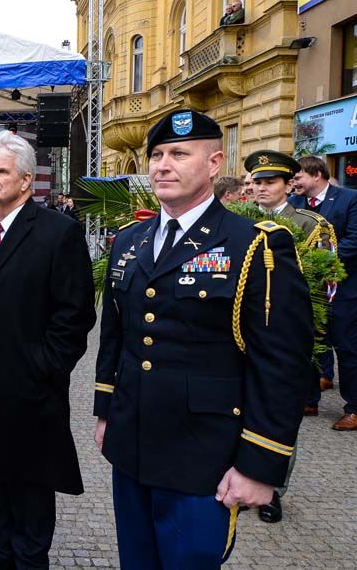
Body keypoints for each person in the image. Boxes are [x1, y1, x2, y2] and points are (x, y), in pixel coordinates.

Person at [95, 110, 313, 568]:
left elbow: (282, 364)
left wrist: (260, 464)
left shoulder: (253, 245)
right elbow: (116, 335)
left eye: (178, 153)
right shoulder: (130, 240)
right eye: (156, 155)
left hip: (204, 453)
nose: (162, 165)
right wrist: (105, 411)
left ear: (214, 164)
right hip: (133, 444)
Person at [0, 131, 96, 570]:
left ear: (26, 180)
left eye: (0, 171)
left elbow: (75, 314)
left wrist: (43, 367)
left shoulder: (58, 233)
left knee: (28, 479)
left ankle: (30, 559)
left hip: (29, 387)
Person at [244, 149, 334, 524]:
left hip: (286, 336)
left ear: (288, 185)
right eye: (257, 182)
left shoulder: (310, 224)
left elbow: (325, 284)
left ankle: (272, 489)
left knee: (279, 412)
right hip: (242, 333)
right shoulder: (236, 220)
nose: (262, 189)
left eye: (270, 182)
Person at [292, 155, 357, 430]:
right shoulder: (296, 204)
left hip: (346, 290)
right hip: (310, 291)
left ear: (316, 175)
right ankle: (309, 399)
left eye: (298, 177)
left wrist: (315, 260)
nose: (294, 183)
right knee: (310, 346)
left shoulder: (350, 199)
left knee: (348, 348)